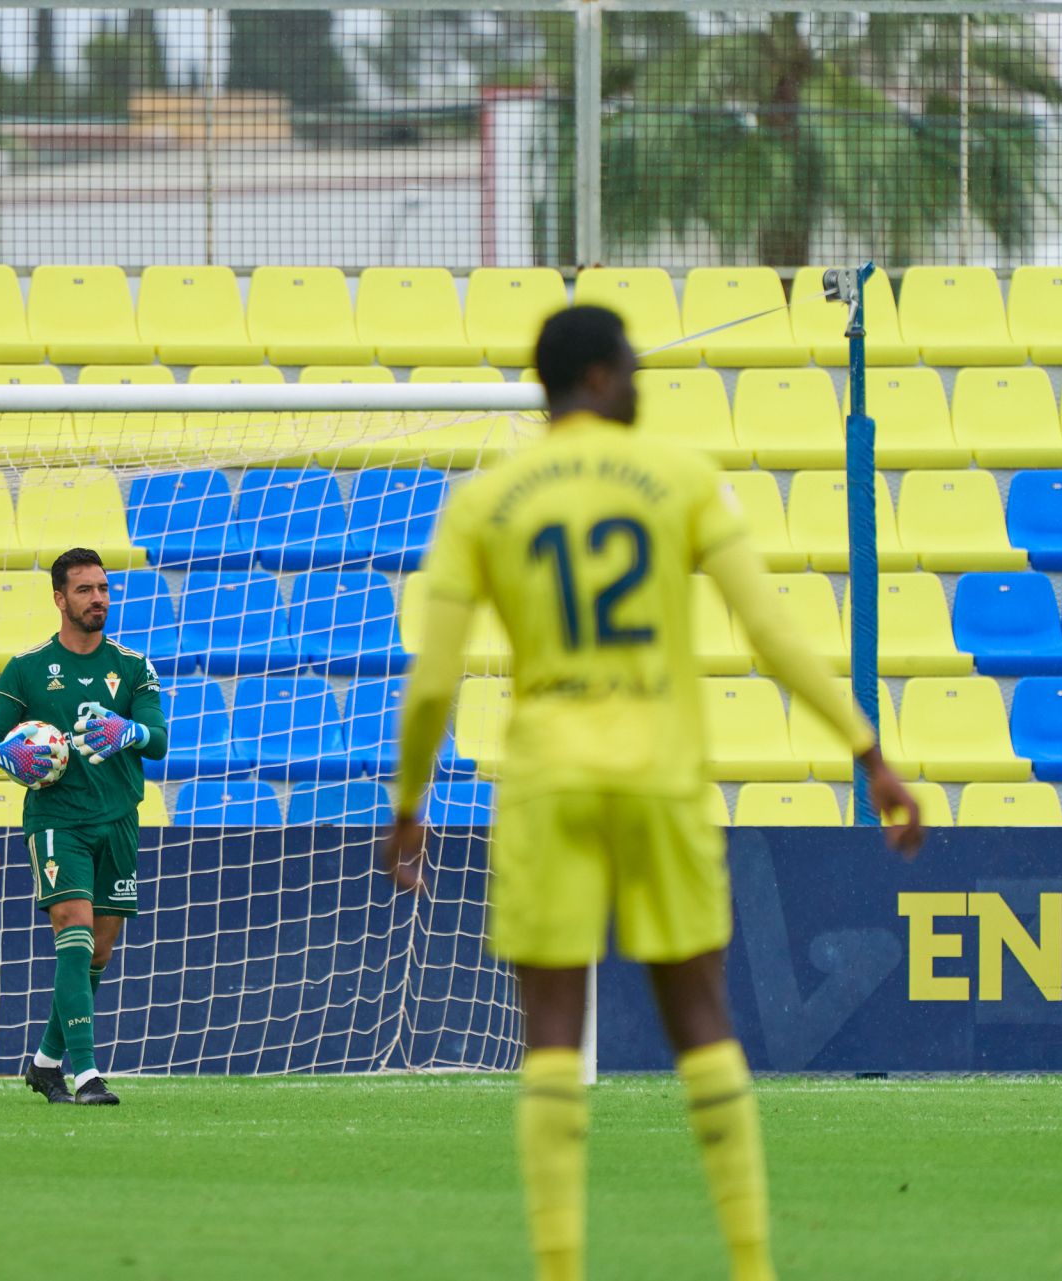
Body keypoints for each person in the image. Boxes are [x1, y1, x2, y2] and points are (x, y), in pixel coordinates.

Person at [379, 307, 925, 1281]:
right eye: (629, 365)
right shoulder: (676, 478)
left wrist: (410, 803)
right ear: (595, 377)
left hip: (548, 782)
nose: (640, 380)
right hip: (661, 776)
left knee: (550, 1034)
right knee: (701, 1022)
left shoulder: (486, 503)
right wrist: (866, 748)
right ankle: (751, 1266)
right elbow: (769, 629)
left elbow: (434, 679)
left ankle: (559, 1268)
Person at [0, 548, 168, 1106]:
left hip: (119, 821)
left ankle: (44, 1063)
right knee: (74, 931)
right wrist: (4, 755)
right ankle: (87, 1076)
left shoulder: (133, 666)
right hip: (57, 820)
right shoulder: (27, 668)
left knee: (98, 952)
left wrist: (128, 731)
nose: (98, 599)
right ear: (60, 599)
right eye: (84, 590)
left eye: (103, 588)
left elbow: (159, 740)